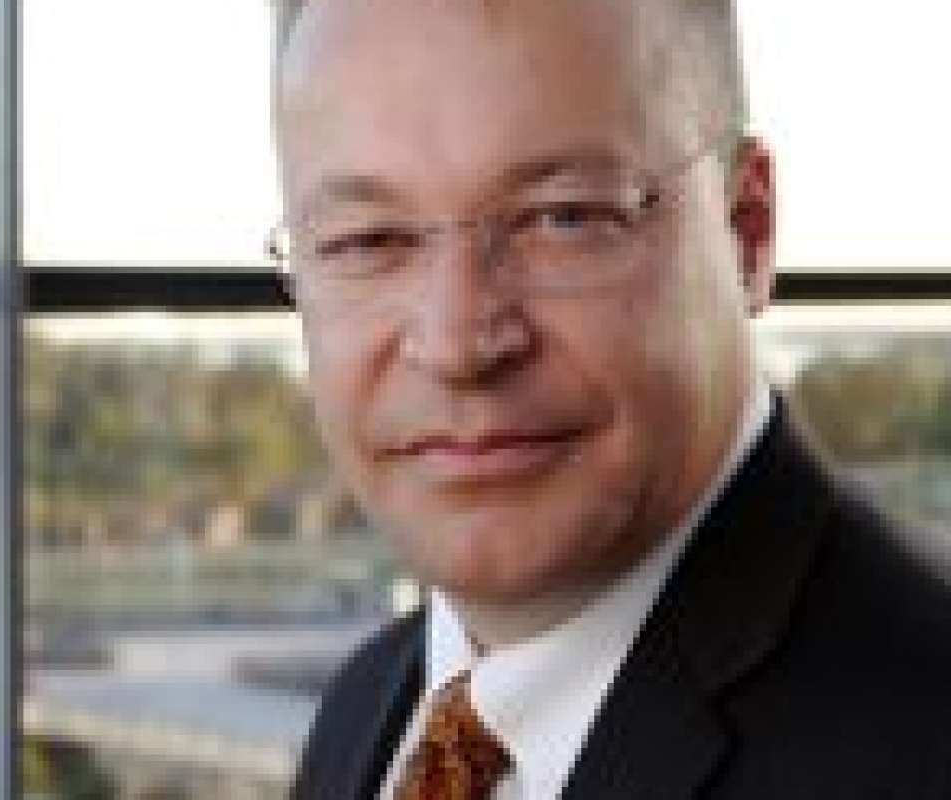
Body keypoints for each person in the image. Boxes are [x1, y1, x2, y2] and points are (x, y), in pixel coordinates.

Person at [271, 1, 951, 797]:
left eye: (563, 219)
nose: (455, 344)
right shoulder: (367, 710)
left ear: (746, 231)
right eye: (366, 240)